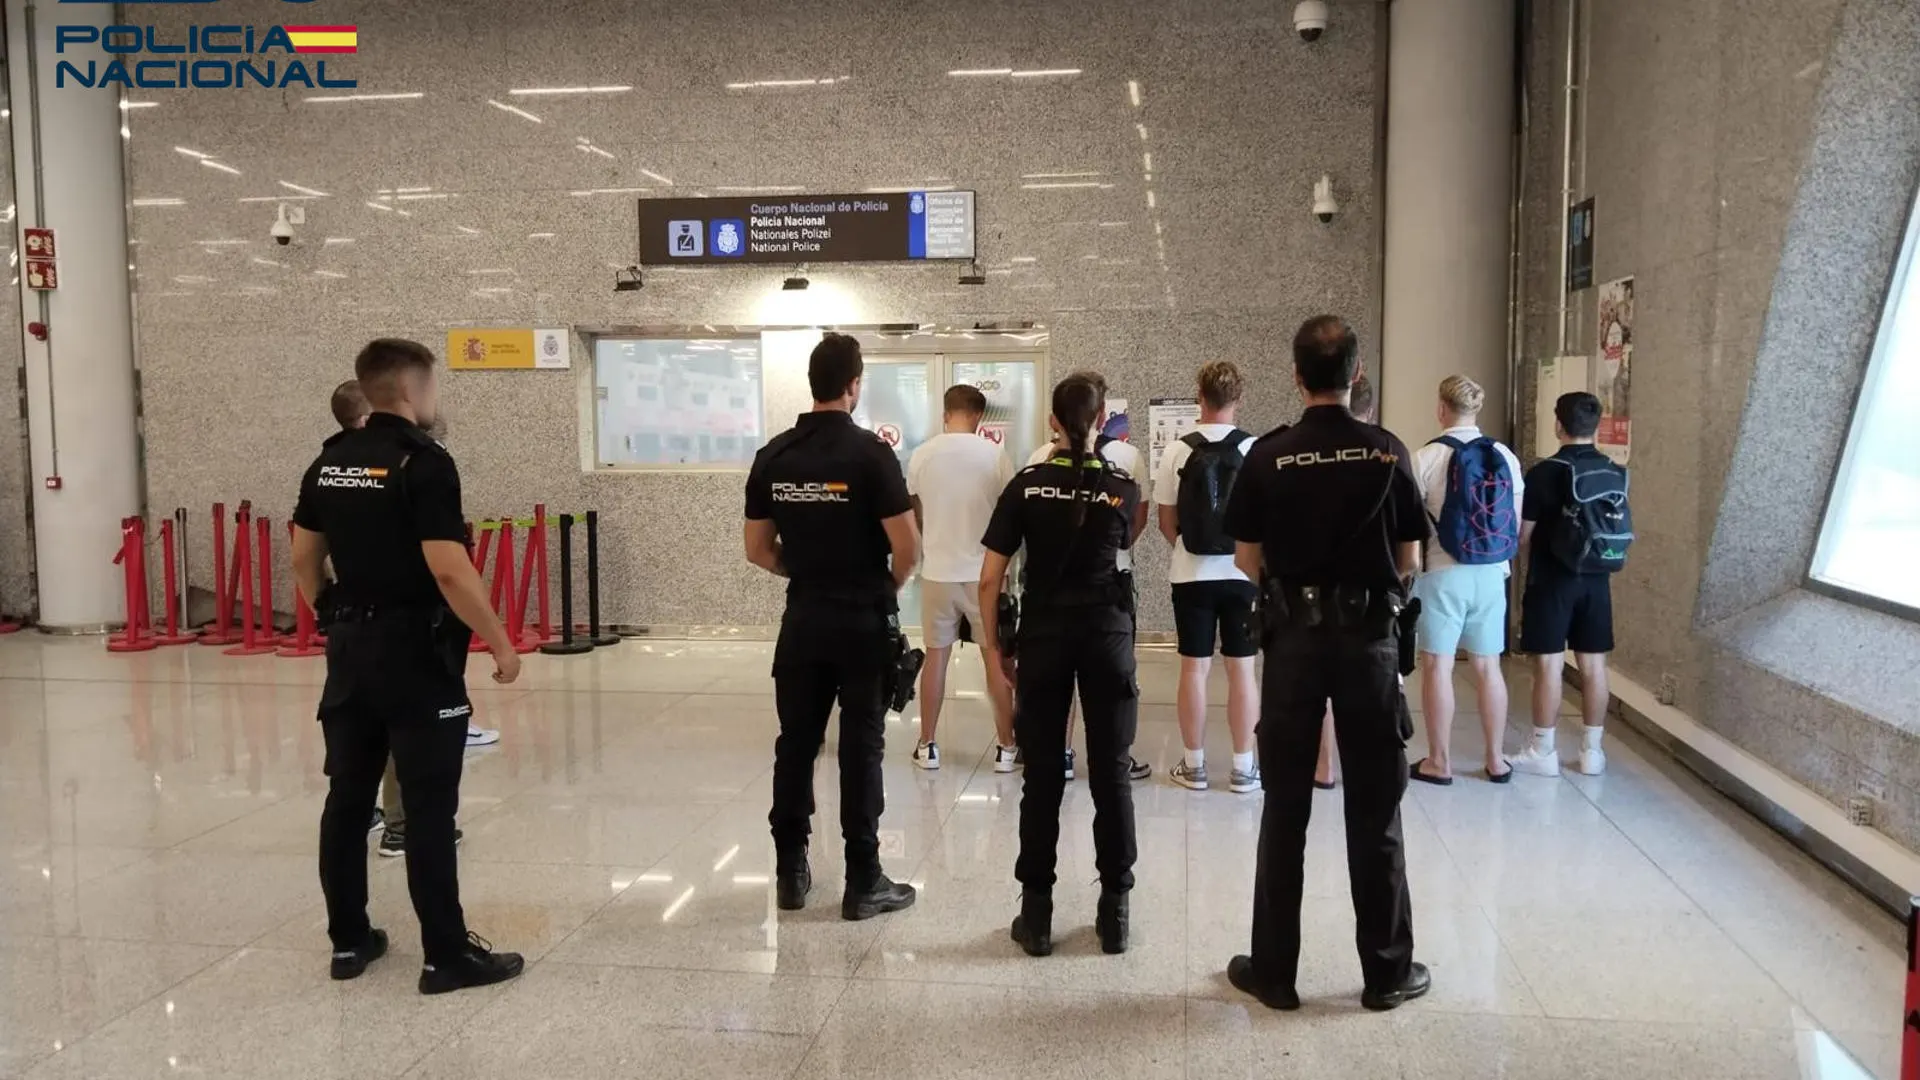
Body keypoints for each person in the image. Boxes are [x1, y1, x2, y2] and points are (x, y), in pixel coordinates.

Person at [290, 339, 523, 994]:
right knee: (425, 807)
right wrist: (499, 642)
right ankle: (445, 956)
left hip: (351, 653)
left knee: (347, 798)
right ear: (413, 391)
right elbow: (450, 569)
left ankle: (349, 941)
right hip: (416, 659)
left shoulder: (329, 463)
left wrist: (332, 616)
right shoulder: (424, 463)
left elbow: (304, 559)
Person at [1221, 315, 1431, 1012]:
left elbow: (1247, 559)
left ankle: (1275, 975)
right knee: (1375, 809)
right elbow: (1409, 562)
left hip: (1293, 646)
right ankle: (1387, 973)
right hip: (1368, 644)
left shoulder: (1269, 456)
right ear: (1356, 374)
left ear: (1295, 374)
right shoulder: (1386, 452)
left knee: (1285, 809)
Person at [744, 333, 921, 920]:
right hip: (862, 622)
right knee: (860, 749)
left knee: (795, 743)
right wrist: (883, 586)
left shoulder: (775, 454)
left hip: (803, 619)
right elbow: (908, 549)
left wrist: (805, 568)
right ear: (853, 384)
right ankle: (863, 878)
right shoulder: (871, 455)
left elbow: (757, 549)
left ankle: (791, 871)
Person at [980, 375, 1141, 958]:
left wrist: (998, 648)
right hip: (1106, 634)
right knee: (1111, 772)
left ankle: (1038, 914)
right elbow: (1126, 537)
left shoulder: (1026, 486)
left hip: (1044, 637)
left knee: (1043, 776)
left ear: (1052, 421)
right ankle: (1114, 911)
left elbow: (991, 578)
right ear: (1101, 421)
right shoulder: (1123, 486)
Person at [1022, 370, 1152, 783]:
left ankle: (1060, 751)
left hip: (1049, 595)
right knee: (1112, 682)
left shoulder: (1037, 459)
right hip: (1110, 588)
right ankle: (1115, 757)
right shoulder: (1127, 460)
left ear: (1055, 418)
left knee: (1056, 681)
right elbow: (1137, 522)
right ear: (1101, 414)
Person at [1408, 376, 1523, 785]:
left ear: (1442, 408)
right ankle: (1496, 759)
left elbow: (1410, 523)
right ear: (1476, 409)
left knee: (1437, 666)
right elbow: (1513, 518)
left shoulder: (1425, 458)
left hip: (1443, 572)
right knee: (1488, 667)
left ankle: (1439, 761)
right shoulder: (1505, 457)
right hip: (1492, 574)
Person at [1155, 361, 1259, 794]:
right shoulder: (1255, 449)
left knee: (1193, 670)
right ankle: (1243, 767)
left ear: (1200, 395)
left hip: (1191, 575)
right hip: (1242, 575)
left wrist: (1189, 548)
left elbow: (1165, 522)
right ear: (1238, 398)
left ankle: (1194, 766)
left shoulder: (1178, 449)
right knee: (1242, 672)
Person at [1510, 392, 1623, 777]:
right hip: (1597, 581)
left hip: (1552, 580)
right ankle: (1592, 752)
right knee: (1594, 666)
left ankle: (1543, 749)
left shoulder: (1545, 472)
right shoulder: (1613, 469)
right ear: (1595, 427)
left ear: (1558, 425)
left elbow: (1523, 535)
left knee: (1549, 665)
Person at [905, 385, 1017, 772]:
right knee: (994, 659)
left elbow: (915, 512)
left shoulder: (922, 455)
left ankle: (927, 745)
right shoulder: (995, 455)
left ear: (945, 412)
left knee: (936, 658)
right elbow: (1009, 514)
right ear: (979, 417)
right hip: (984, 574)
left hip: (937, 572)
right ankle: (1006, 748)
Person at [1315, 374, 1375, 790]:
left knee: (1320, 686)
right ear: (1368, 408)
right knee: (1368, 688)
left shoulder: (1287, 454)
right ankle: (1365, 769)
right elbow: (1409, 553)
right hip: (1369, 598)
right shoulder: (1390, 454)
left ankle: (1323, 769)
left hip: (1312, 598)